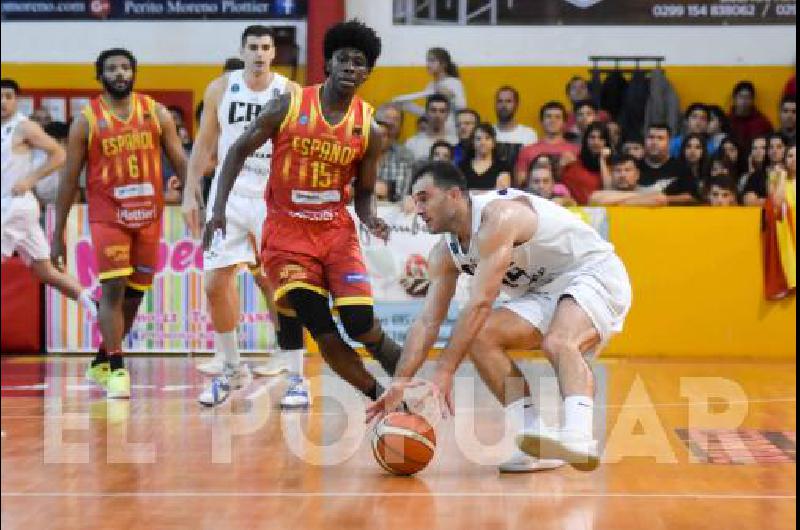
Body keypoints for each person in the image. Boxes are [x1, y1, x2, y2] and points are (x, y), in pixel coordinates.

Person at [367, 161, 632, 473]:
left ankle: (579, 435)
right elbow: (427, 321)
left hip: (592, 270)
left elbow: (480, 303)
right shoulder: (444, 253)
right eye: (415, 200)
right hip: (543, 290)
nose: (418, 208)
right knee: (480, 337)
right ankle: (537, 439)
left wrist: (445, 371)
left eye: (424, 198)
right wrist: (400, 381)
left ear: (453, 195)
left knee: (559, 340)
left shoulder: (498, 217)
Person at [206, 19, 404, 409]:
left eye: (359, 62)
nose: (350, 67)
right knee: (321, 325)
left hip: (336, 234)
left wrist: (370, 217)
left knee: (361, 324)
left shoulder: (370, 129)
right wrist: (217, 208)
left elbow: (363, 193)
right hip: (286, 234)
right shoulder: (290, 104)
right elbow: (237, 150)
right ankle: (382, 400)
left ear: (368, 72)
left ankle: (412, 386)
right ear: (328, 63)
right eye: (343, 59)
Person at [180, 26, 307, 406]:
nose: (258, 53)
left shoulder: (289, 91)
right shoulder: (221, 88)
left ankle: (298, 378)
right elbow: (204, 144)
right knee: (215, 284)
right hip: (229, 198)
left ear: (273, 53)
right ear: (242, 50)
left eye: (265, 47)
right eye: (252, 47)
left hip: (273, 198)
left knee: (284, 284)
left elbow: (301, 148)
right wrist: (190, 193)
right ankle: (233, 369)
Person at [51, 49, 188, 399]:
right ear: (100, 77)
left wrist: (195, 201)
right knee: (112, 292)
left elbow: (182, 161)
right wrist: (58, 233)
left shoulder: (156, 113)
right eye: (112, 68)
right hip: (108, 217)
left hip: (149, 218)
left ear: (134, 73)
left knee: (133, 299)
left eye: (126, 67)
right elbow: (69, 180)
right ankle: (116, 369)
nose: (120, 73)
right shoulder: (86, 120)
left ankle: (100, 361)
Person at [1, 79, 96, 320]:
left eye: (8, 96)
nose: (3, 101)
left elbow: (59, 154)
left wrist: (30, 180)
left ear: (16, 100)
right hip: (14, 210)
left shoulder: (24, 127)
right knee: (45, 271)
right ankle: (93, 304)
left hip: (16, 204)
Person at [392, 47, 466, 137]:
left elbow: (462, 108)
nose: (428, 65)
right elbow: (428, 113)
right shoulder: (430, 85)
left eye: (432, 61)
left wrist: (451, 96)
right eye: (427, 61)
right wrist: (405, 105)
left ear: (443, 64)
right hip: (433, 132)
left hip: (450, 133)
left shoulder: (453, 82)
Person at [514, 102, 579, 188]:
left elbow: (579, 185)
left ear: (564, 123)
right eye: (548, 116)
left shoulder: (576, 150)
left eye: (557, 117)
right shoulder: (527, 151)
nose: (553, 120)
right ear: (542, 121)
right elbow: (520, 183)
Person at [560, 122, 611, 205]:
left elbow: (609, 190)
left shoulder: (611, 165)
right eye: (592, 137)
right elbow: (559, 185)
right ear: (586, 139)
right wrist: (560, 166)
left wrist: (602, 160)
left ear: (606, 142)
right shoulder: (573, 160)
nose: (596, 142)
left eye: (601, 138)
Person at [589, 154, 669, 206]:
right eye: (618, 170)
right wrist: (639, 196)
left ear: (637, 175)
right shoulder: (602, 194)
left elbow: (661, 199)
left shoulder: (649, 190)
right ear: (612, 175)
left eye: (627, 170)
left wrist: (616, 203)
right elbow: (595, 199)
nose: (622, 175)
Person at [375, 103, 414, 202]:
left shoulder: (405, 156)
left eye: (395, 119)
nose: (391, 123)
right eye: (387, 118)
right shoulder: (357, 153)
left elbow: (401, 195)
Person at [458, 123, 512, 191]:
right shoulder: (462, 166)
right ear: (473, 143)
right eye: (478, 139)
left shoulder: (503, 166)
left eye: (487, 138)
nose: (483, 142)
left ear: (493, 143)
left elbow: (503, 193)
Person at [493, 86, 536, 167]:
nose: (503, 105)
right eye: (500, 101)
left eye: (508, 101)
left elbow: (531, 166)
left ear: (516, 104)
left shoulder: (528, 134)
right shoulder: (487, 132)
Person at [404, 94, 457, 161]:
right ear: (426, 113)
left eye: (442, 111)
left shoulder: (455, 142)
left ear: (447, 115)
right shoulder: (412, 143)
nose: (437, 115)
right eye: (433, 110)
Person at [727, 81, 773, 149]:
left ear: (752, 100)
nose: (744, 101)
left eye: (748, 97)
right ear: (734, 99)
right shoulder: (726, 120)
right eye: (741, 97)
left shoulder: (762, 122)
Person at [638, 123, 684, 189]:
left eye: (660, 138)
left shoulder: (680, 168)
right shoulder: (635, 167)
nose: (654, 142)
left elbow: (691, 195)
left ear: (669, 142)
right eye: (651, 137)